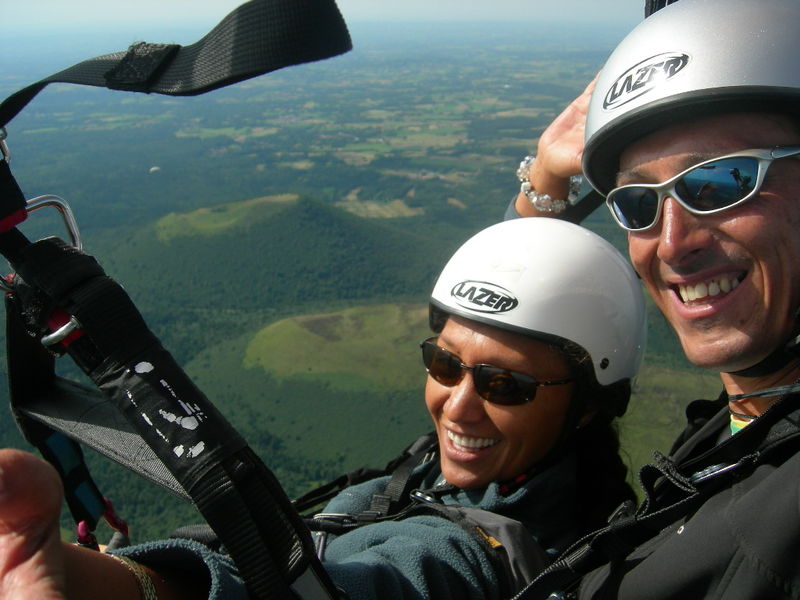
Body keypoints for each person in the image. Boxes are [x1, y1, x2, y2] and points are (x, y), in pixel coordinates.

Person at [0, 217, 646, 599]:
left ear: (588, 409)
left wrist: (90, 577)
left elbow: (370, 586)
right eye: (443, 364)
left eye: (507, 386)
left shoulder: (494, 555)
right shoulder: (486, 473)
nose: (459, 406)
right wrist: (545, 186)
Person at [510, 0, 800, 597]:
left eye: (721, 181)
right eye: (638, 203)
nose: (671, 244)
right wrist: (544, 183)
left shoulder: (774, 529)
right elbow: (498, 313)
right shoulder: (749, 424)